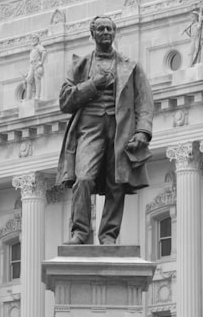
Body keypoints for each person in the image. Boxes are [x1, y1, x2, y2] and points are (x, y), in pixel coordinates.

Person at [57, 15, 153, 245]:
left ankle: (109, 235)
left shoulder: (130, 65)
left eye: (109, 28)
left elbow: (144, 101)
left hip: (121, 128)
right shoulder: (79, 65)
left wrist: (142, 132)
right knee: (84, 178)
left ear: (115, 32)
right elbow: (64, 101)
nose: (106, 32)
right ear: (92, 34)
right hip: (89, 127)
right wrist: (93, 85)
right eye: (100, 29)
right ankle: (80, 232)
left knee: (116, 182)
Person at [24, 34, 46, 101]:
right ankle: (28, 97)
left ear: (38, 40)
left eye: (35, 39)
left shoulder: (39, 47)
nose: (33, 40)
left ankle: (37, 96)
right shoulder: (32, 49)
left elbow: (44, 52)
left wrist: (41, 62)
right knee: (28, 80)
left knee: (37, 80)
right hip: (32, 65)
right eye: (32, 39)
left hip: (37, 64)